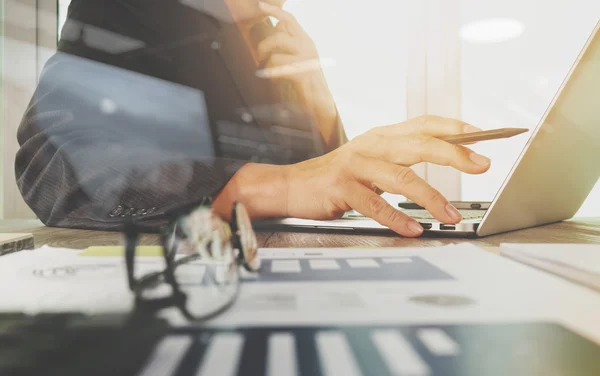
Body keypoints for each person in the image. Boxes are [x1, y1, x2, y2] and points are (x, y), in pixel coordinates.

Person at [15, 0, 491, 237]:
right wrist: (272, 188)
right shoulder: (131, 10)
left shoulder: (273, 38)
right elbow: (55, 165)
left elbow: (319, 186)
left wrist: (321, 107)